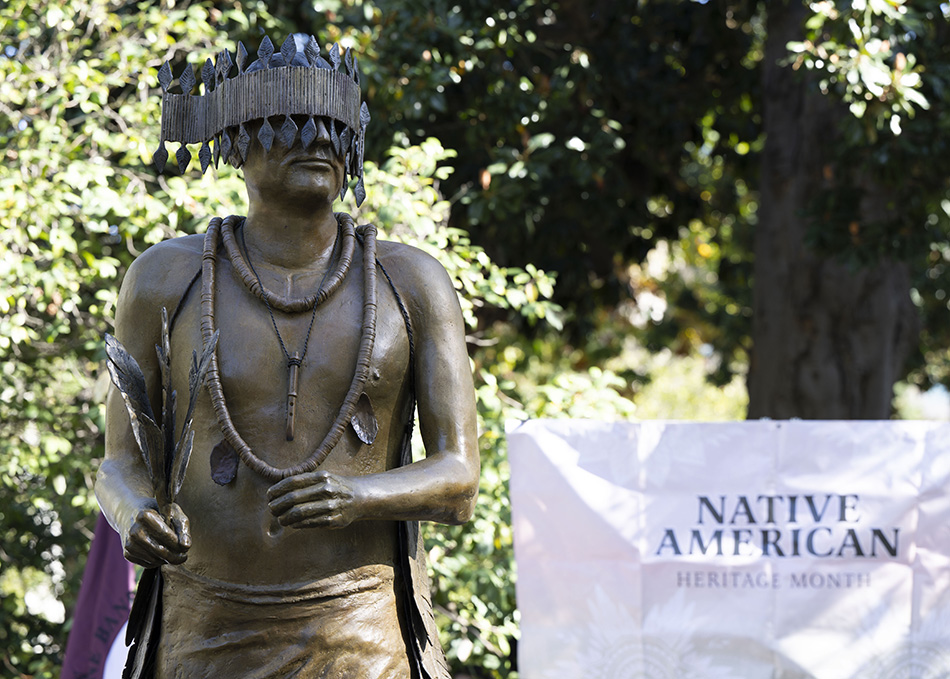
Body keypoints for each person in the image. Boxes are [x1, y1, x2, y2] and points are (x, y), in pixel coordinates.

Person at [95, 34, 478, 679]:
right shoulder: (165, 278)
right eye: (291, 121)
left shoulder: (412, 283)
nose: (319, 141)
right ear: (237, 142)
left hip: (361, 632)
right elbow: (116, 465)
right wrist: (134, 513)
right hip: (201, 632)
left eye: (333, 127)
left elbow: (460, 479)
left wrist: (357, 496)